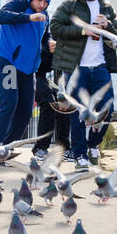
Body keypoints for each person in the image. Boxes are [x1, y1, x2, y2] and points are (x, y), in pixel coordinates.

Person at [50, 0, 117, 168]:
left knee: (108, 108)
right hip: (76, 68)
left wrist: (108, 26)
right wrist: (83, 30)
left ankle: (94, 146)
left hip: (100, 66)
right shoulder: (70, 5)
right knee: (77, 113)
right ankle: (80, 156)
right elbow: (55, 27)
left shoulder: (106, 7)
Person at [0, 0, 53, 167]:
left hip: (27, 69)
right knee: (8, 104)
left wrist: (49, 42)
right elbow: (1, 16)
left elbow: (44, 36)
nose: (42, 5)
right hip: (5, 61)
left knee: (25, 110)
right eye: (39, 0)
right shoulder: (19, 3)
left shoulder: (45, 15)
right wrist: (28, 17)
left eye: (46, 2)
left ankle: (6, 149)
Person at [32, 32, 70, 161]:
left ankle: (63, 148)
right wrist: (49, 45)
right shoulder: (48, 35)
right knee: (48, 104)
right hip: (32, 73)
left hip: (47, 75)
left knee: (64, 105)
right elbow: (47, 38)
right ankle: (40, 148)